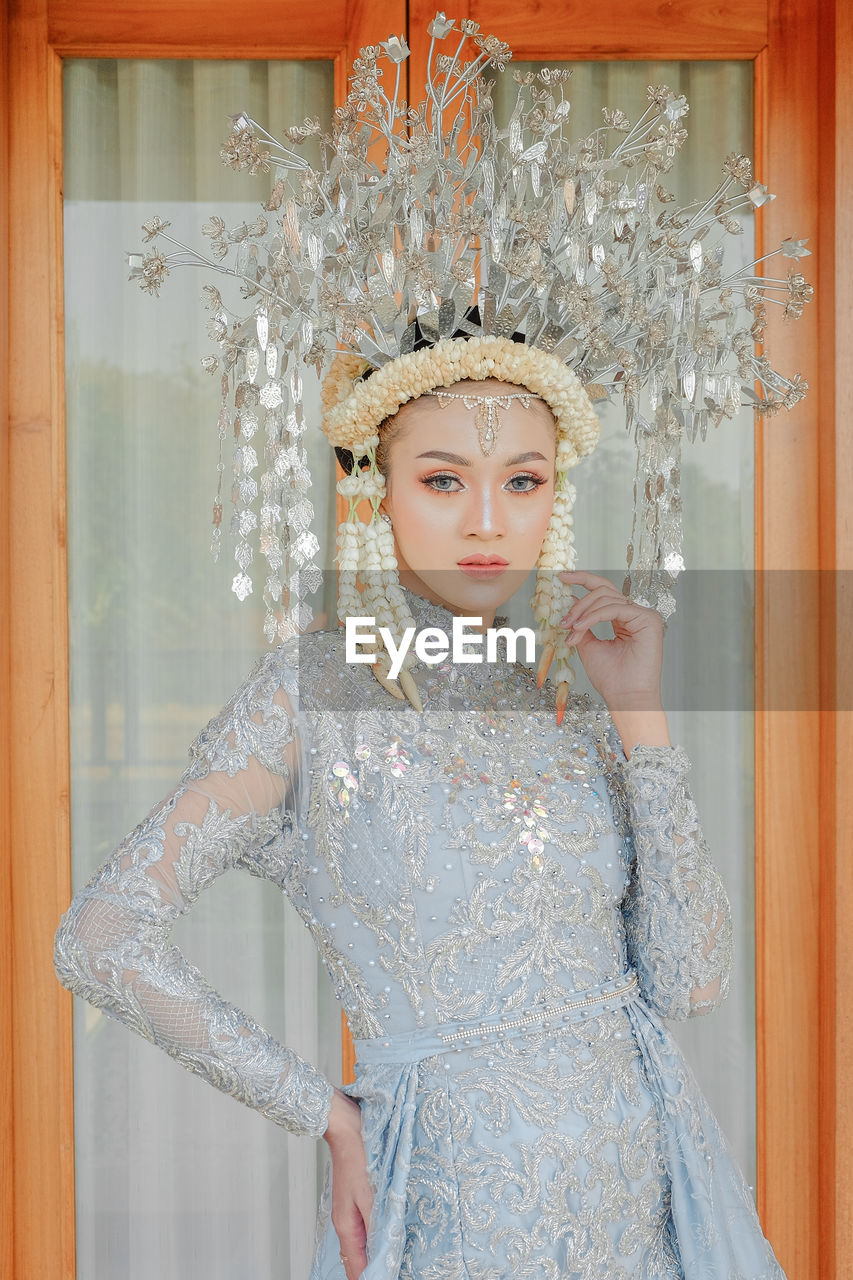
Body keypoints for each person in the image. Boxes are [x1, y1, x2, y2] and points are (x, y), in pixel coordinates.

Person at [56, 15, 807, 1276]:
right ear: (379, 488)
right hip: (460, 1199)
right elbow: (103, 935)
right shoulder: (315, 685)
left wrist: (642, 716)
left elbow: (686, 979)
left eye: (520, 483)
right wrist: (328, 1110)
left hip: (645, 1190)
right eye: (444, 478)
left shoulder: (566, 684)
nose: (483, 521)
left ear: (555, 491)